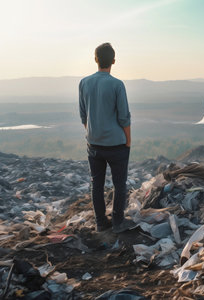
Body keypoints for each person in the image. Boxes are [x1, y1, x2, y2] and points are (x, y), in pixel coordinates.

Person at [79, 42, 134, 233]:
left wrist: (92, 134)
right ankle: (118, 222)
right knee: (119, 184)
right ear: (113, 61)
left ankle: (100, 223)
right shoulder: (117, 85)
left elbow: (83, 115)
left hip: (93, 144)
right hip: (116, 144)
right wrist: (128, 141)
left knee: (97, 184)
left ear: (95, 59)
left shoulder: (84, 82)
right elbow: (124, 117)